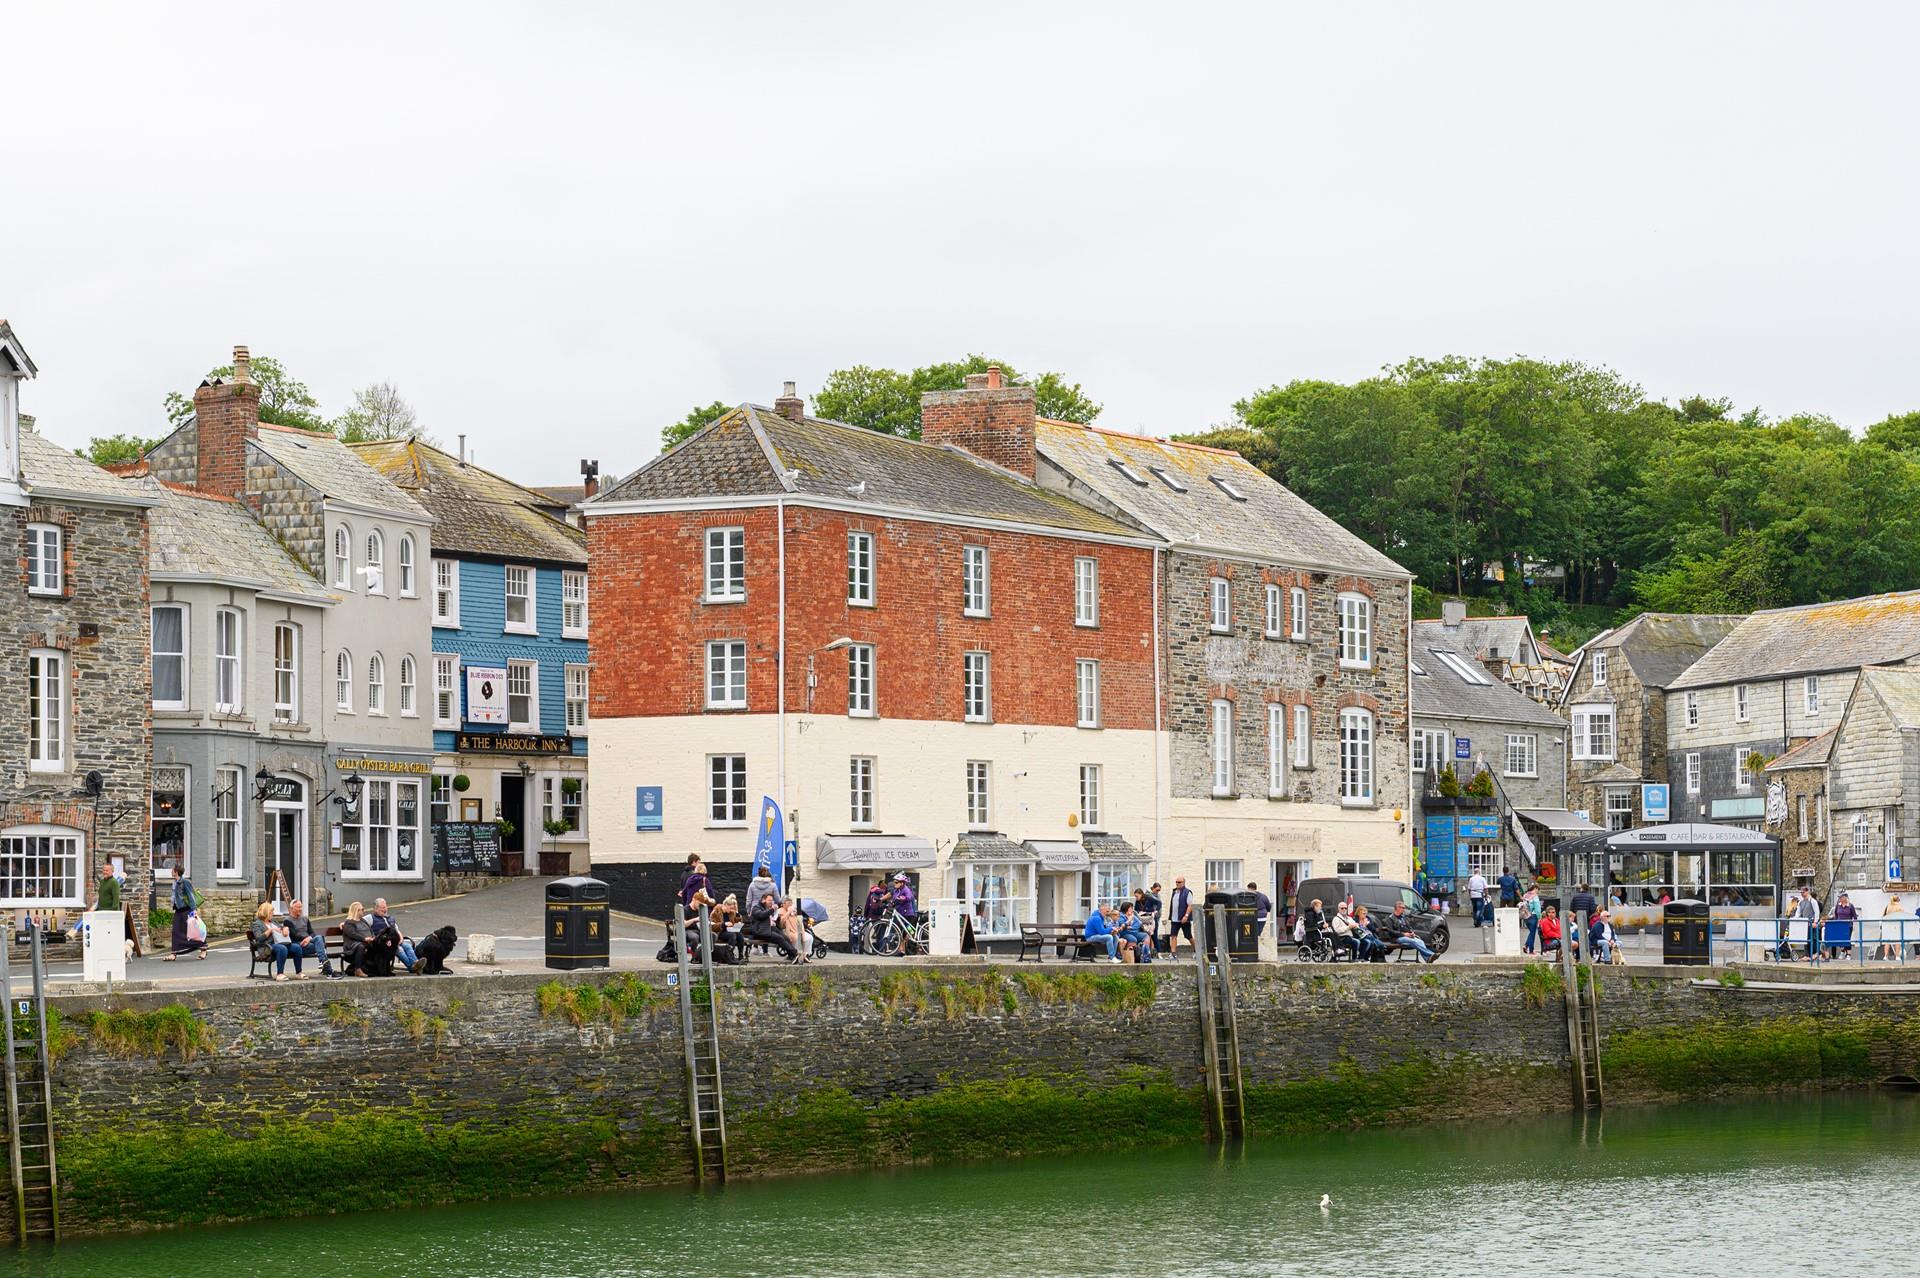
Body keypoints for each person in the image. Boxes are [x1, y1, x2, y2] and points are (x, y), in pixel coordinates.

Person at [248, 902, 303, 981]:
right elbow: (259, 938)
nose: (273, 913)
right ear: (265, 912)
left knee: (297, 947)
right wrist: (270, 930)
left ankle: (299, 973)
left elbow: (281, 928)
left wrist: (285, 929)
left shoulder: (273, 921)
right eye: (271, 912)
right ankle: (280, 974)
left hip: (278, 943)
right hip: (266, 947)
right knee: (282, 948)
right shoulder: (257, 924)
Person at [285, 899, 339, 979]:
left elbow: (312, 933)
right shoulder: (287, 921)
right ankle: (326, 965)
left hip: (309, 943)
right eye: (298, 907)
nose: (300, 909)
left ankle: (326, 967)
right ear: (291, 909)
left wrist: (309, 938)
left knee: (319, 938)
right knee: (319, 940)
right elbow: (294, 936)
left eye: (301, 907)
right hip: (299, 945)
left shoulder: (305, 919)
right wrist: (307, 938)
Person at [164, 865, 207, 960]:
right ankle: (173, 954)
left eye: (172, 870)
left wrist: (194, 910)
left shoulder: (185, 882)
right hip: (178, 910)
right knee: (175, 931)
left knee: (193, 931)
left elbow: (191, 896)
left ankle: (203, 948)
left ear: (176, 872)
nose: (171, 871)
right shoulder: (174, 883)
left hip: (186, 910)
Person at [369, 899, 421, 974]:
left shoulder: (390, 918)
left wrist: (401, 937)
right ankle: (412, 967)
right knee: (399, 949)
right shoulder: (370, 918)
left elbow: (397, 930)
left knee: (407, 946)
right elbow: (360, 924)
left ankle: (416, 964)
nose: (385, 909)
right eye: (382, 908)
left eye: (385, 907)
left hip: (395, 941)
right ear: (376, 909)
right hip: (384, 943)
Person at [745, 891, 798, 962]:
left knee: (785, 937)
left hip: (769, 929)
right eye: (769, 900)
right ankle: (794, 954)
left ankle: (792, 955)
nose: (771, 902)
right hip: (760, 932)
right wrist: (772, 909)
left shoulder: (767, 908)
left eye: (772, 900)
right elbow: (762, 915)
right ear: (763, 900)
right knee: (780, 938)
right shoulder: (756, 908)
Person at [339, 901, 373, 976]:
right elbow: (353, 934)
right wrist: (364, 939)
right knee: (361, 946)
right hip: (352, 947)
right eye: (362, 909)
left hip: (366, 943)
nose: (364, 911)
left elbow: (370, 930)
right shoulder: (349, 922)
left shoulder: (363, 920)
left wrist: (372, 938)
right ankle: (357, 969)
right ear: (357, 910)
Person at [1789, 886, 1821, 961]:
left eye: (1803, 892)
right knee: (1806, 939)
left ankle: (1816, 954)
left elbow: (1817, 912)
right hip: (1805, 923)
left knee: (1813, 938)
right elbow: (1798, 912)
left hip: (1812, 923)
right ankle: (1808, 955)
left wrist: (1815, 922)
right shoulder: (1801, 902)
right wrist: (1795, 919)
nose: (1802, 894)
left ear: (1807, 892)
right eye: (1801, 892)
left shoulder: (1812, 901)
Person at [1167, 877, 1194, 957]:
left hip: (1183, 919)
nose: (1177, 883)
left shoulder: (1187, 892)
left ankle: (1197, 950)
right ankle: (1173, 954)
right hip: (1174, 919)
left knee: (1188, 936)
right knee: (1173, 936)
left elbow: (1190, 905)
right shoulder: (1174, 892)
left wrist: (1186, 916)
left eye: (1179, 882)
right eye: (1176, 882)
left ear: (1184, 882)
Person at [1873, 894, 1905, 962]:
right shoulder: (1899, 907)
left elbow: (1883, 915)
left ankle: (1885, 956)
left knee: (1887, 941)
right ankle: (1897, 956)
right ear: (1898, 900)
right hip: (1896, 925)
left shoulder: (1888, 906)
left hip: (1887, 925)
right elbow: (1902, 916)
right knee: (1897, 941)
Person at [1827, 892, 1858, 959]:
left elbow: (1855, 916)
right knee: (1840, 938)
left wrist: (1852, 922)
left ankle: (1848, 954)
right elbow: (1836, 914)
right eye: (1839, 897)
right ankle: (1842, 951)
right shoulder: (1838, 905)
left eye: (1840, 897)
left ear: (1845, 898)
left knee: (1847, 939)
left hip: (1848, 925)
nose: (1839, 899)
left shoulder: (1850, 906)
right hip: (1839, 924)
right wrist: (1836, 922)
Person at [1521, 885, 1542, 954]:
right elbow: (1537, 909)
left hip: (1526, 916)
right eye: (1538, 890)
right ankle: (1531, 950)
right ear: (1535, 888)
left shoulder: (1525, 895)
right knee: (1532, 933)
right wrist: (1539, 917)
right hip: (1533, 916)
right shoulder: (1535, 896)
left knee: (1531, 932)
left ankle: (1526, 945)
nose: (1538, 892)